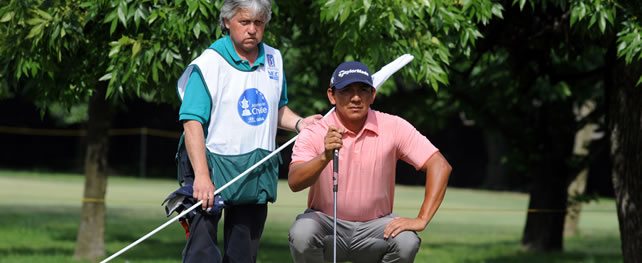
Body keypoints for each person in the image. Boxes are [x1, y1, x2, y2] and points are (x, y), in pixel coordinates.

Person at [166, 0, 321, 262]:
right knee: (201, 255)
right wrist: (202, 177)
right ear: (227, 22)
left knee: (243, 255)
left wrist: (299, 123)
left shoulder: (274, 59)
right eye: (244, 22)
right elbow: (191, 122)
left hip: (255, 169)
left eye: (258, 23)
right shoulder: (208, 64)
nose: (252, 29)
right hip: (209, 168)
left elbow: (276, 108)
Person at [287, 61, 452, 263]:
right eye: (347, 90)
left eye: (363, 90)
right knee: (302, 232)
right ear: (332, 95)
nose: (356, 97)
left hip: (376, 226)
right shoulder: (314, 131)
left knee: (406, 241)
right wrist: (324, 157)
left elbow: (439, 165)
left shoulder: (393, 126)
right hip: (326, 223)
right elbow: (295, 182)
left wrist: (422, 218)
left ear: (372, 95)